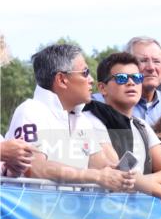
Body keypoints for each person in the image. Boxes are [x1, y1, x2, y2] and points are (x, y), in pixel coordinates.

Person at [3, 43, 132, 191]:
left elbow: (101, 165)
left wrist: (118, 173)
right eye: (85, 72)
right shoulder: (30, 111)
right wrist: (96, 176)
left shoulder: (82, 120)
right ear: (62, 79)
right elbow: (34, 168)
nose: (91, 79)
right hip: (30, 212)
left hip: (68, 212)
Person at [83, 52, 161, 219]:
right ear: (102, 88)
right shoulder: (90, 120)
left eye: (137, 77)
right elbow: (118, 174)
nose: (131, 82)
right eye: (121, 78)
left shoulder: (141, 125)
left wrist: (140, 182)